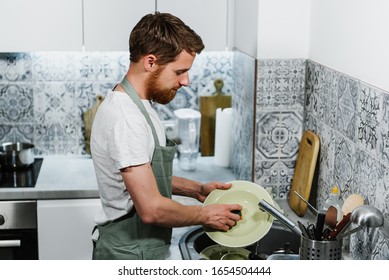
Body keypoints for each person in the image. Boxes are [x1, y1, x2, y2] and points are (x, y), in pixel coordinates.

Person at [90, 12, 242, 260]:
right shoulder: (127, 118)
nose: (186, 81)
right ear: (150, 62)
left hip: (141, 250)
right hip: (128, 254)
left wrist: (196, 189)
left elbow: (145, 176)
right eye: (180, 71)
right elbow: (151, 210)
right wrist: (206, 214)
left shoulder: (139, 104)